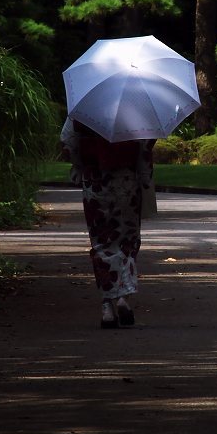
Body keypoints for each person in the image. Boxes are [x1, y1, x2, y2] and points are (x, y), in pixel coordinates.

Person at [60, 117, 155, 329]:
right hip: (126, 181)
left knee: (102, 241)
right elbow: (144, 146)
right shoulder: (134, 110)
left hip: (95, 182)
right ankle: (124, 297)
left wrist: (79, 166)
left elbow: (68, 142)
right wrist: (145, 176)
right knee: (127, 239)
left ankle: (107, 306)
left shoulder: (84, 108)